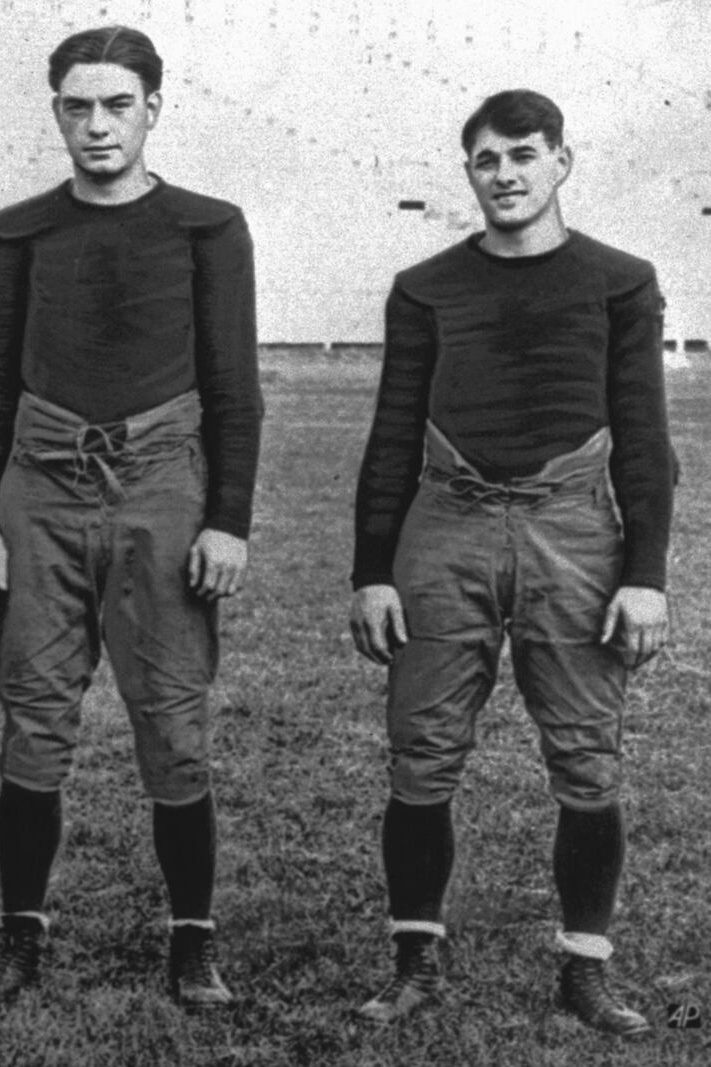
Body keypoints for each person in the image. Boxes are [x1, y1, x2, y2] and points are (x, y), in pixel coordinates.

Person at [349, 90, 673, 1036]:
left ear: (561, 163)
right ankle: (415, 962)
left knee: (587, 755)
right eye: (487, 159)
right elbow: (391, 434)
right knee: (422, 752)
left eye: (524, 155)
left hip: (573, 529)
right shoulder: (426, 286)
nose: (506, 174)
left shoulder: (619, 280)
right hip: (446, 525)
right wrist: (372, 569)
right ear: (470, 172)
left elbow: (647, 438)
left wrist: (644, 572)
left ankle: (585, 967)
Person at [0, 25, 261, 1008]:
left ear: (151, 110)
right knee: (32, 718)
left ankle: (193, 942)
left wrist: (227, 520)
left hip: (161, 486)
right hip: (36, 488)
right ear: (56, 113)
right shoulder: (15, 232)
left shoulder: (207, 227)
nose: (96, 125)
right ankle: (18, 940)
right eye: (78, 106)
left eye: (116, 105)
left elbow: (234, 388)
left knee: (173, 721)